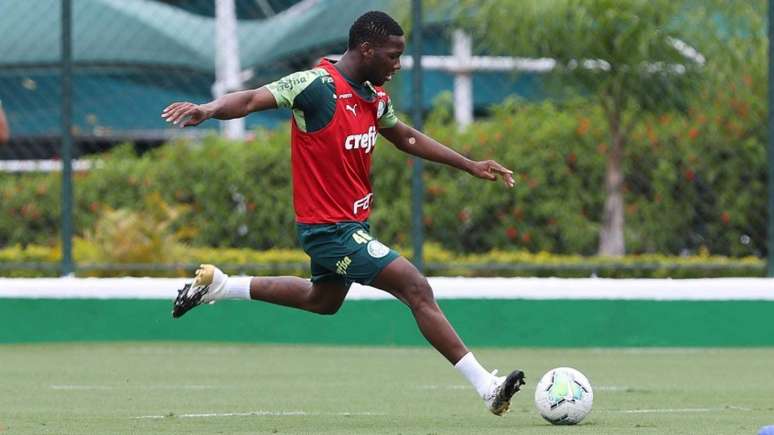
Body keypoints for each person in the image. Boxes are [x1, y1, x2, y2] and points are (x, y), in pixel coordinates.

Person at [161, 11, 524, 416]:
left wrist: (470, 164)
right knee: (414, 286)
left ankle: (221, 286)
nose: (398, 64)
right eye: (392, 55)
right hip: (328, 230)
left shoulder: (372, 95)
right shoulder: (315, 86)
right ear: (366, 49)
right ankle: (487, 386)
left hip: (350, 225)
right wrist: (208, 109)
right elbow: (249, 99)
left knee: (323, 300)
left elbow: (403, 136)